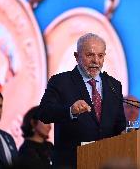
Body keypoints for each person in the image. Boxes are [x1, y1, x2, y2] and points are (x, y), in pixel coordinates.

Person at [38, 33, 126, 168]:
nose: (96, 61)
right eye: (90, 55)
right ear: (76, 56)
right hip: (72, 163)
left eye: (100, 56)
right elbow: (44, 113)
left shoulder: (114, 85)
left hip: (106, 163)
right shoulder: (60, 82)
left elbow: (119, 124)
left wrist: (128, 134)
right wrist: (70, 111)